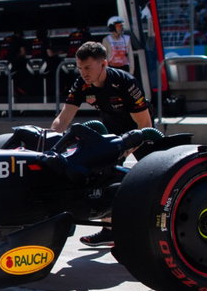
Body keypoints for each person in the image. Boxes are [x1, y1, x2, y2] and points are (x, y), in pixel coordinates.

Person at [49, 41, 153, 248]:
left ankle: (150, 230)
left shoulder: (125, 82)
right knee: (102, 175)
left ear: (103, 64)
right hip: (111, 130)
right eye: (80, 68)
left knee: (152, 180)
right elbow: (64, 118)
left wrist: (126, 148)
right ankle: (109, 230)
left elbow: (145, 123)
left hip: (141, 131)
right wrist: (51, 139)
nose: (83, 73)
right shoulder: (82, 84)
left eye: (88, 68)